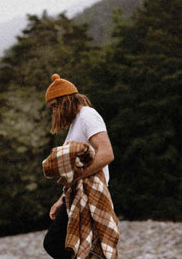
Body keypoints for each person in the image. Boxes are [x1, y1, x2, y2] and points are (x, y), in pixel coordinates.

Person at [43, 73, 115, 259]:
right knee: (73, 246)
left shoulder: (87, 116)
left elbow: (106, 153)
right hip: (76, 194)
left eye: (54, 106)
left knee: (54, 243)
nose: (54, 112)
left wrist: (77, 177)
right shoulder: (76, 123)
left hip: (90, 193)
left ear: (64, 101)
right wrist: (61, 199)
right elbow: (76, 168)